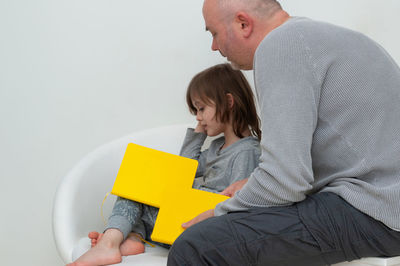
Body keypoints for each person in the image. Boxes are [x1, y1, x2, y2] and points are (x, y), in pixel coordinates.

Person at [167, 0, 400, 265]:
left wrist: (219, 212)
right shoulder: (322, 37)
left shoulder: (280, 45)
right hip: (382, 200)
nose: (214, 46)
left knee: (198, 246)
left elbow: (286, 182)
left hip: (377, 209)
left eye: (214, 33)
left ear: (243, 23)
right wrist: (252, 186)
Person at [67, 63, 262, 266]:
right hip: (182, 222)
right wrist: (199, 133)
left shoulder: (247, 151)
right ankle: (131, 238)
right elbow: (184, 169)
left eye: (202, 109)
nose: (198, 116)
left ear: (229, 102)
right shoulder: (217, 147)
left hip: (201, 229)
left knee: (137, 186)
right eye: (196, 110)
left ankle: (110, 242)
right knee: (138, 185)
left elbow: (237, 205)